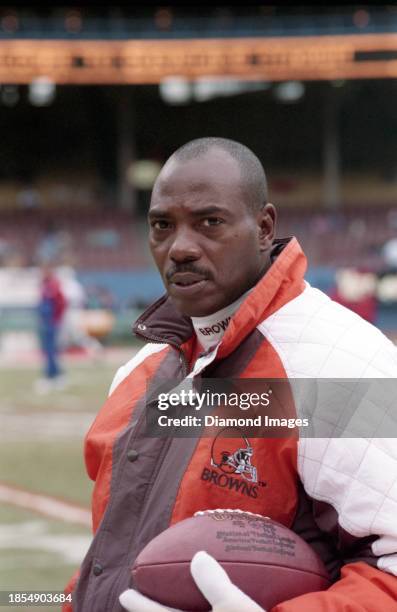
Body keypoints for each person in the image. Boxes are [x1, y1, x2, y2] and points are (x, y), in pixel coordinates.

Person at [64, 138, 397, 611]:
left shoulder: (339, 363)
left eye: (210, 222)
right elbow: (111, 559)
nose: (179, 248)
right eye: (162, 225)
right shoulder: (141, 371)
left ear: (264, 228)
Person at [35, 262, 67, 393]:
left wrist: (56, 319)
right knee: (47, 350)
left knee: (51, 350)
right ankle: (52, 375)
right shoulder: (45, 285)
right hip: (46, 322)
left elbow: (61, 303)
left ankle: (55, 376)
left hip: (51, 323)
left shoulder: (53, 285)